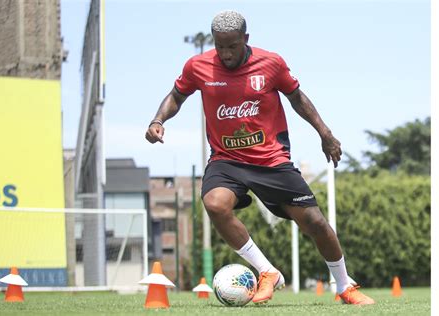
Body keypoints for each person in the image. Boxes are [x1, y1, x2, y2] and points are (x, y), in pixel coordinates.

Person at [145, 10, 374, 305]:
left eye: (232, 46)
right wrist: (158, 120)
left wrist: (325, 134)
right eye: (220, 46)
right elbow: (177, 95)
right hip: (226, 160)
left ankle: (345, 285)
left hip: (271, 160)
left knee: (315, 223)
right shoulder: (198, 67)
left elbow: (297, 98)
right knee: (214, 204)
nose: (226, 54)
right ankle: (267, 272)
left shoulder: (271, 63)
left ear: (246, 39)